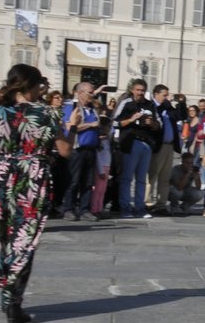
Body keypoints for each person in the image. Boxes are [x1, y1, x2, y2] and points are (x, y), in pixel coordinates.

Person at [0, 64, 71, 323]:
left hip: (0, 178)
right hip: (32, 181)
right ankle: (13, 304)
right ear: (30, 85)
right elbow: (64, 151)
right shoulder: (48, 113)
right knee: (23, 241)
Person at [112, 79, 160, 219]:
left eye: (143, 90)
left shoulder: (150, 105)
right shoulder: (126, 103)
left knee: (141, 179)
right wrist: (131, 119)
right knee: (127, 177)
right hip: (131, 142)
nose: (140, 93)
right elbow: (115, 122)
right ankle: (125, 207)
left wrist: (153, 124)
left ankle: (140, 207)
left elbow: (158, 125)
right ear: (132, 90)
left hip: (146, 143)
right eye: (138, 90)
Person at [60, 81, 101, 221]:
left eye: (93, 92)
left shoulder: (93, 109)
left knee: (88, 182)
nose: (92, 95)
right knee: (74, 181)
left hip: (91, 149)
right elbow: (69, 127)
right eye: (90, 92)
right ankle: (68, 209)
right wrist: (90, 125)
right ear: (80, 93)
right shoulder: (71, 108)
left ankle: (85, 209)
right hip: (77, 149)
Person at [146, 85, 181, 215]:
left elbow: (179, 115)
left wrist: (181, 102)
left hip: (169, 146)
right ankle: (147, 203)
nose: (167, 97)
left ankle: (161, 204)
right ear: (156, 94)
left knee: (165, 177)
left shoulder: (168, 107)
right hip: (158, 146)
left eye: (167, 95)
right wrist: (165, 104)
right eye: (164, 95)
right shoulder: (151, 106)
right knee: (152, 175)